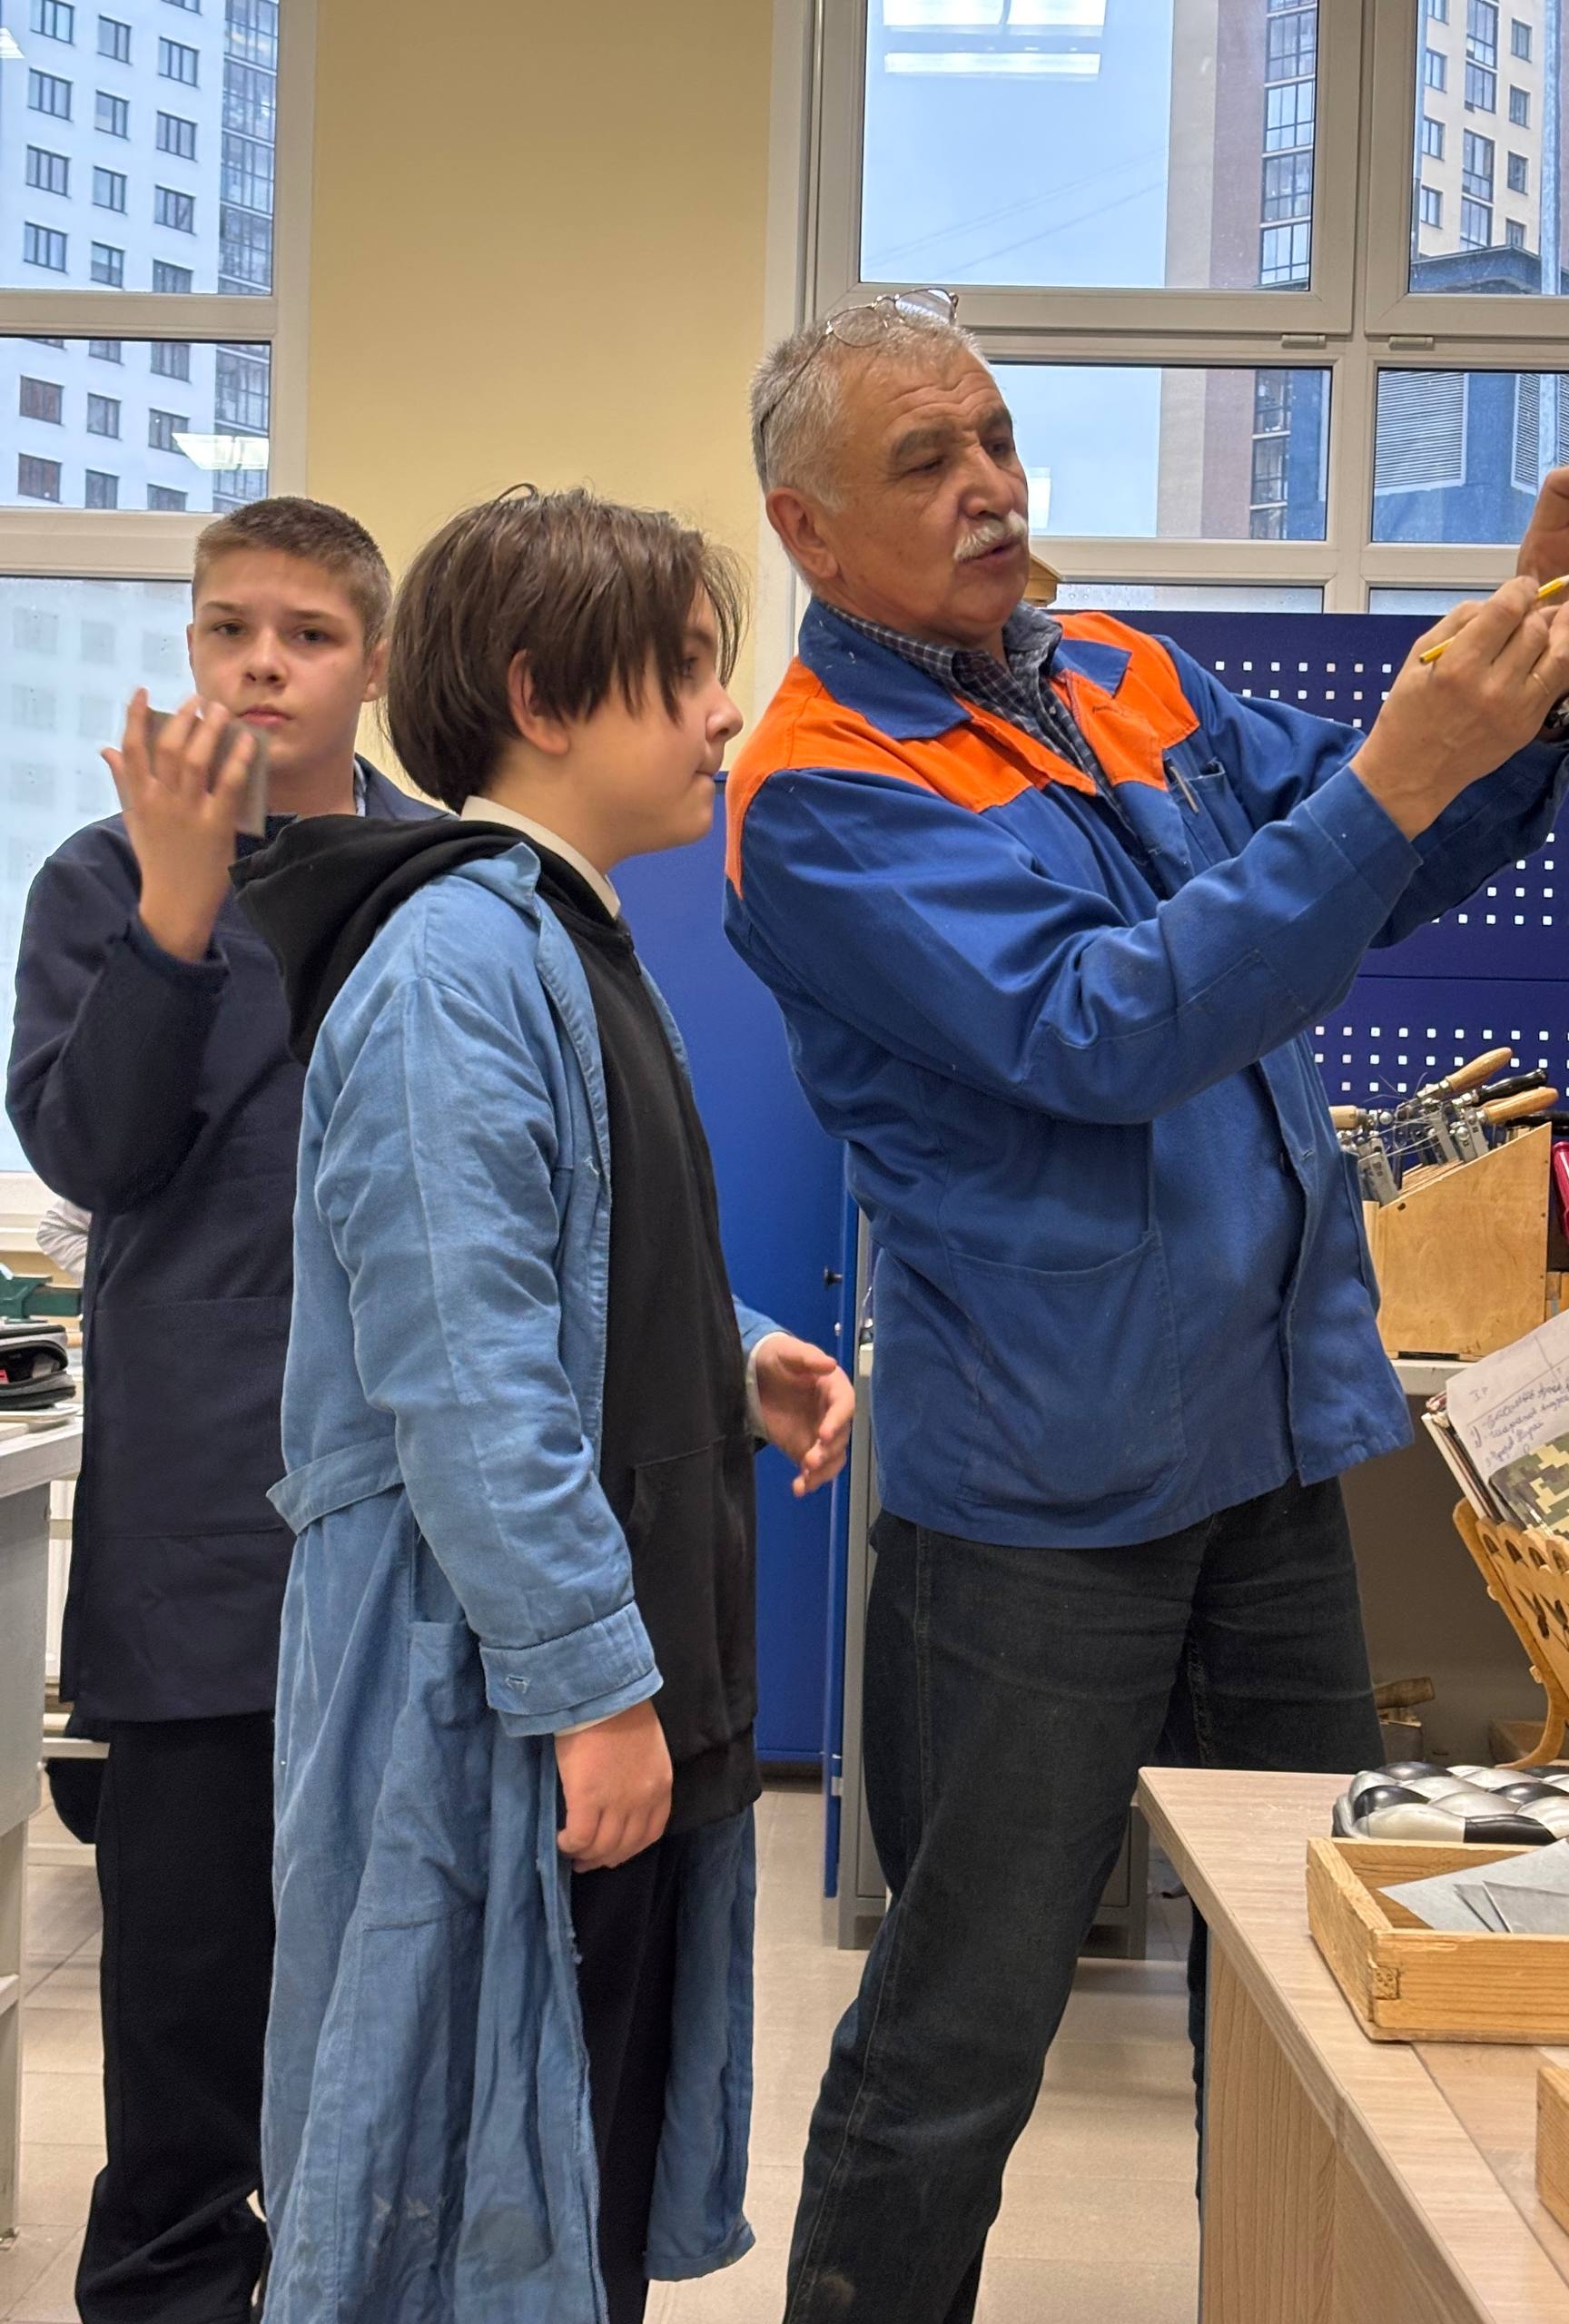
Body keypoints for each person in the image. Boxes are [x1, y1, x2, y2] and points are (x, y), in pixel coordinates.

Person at [724, 293, 1569, 2323]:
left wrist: (1538, 681)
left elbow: (1377, 853)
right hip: (1040, 1499)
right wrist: (1397, 769)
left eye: (995, 436)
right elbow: (1103, 1027)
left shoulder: (1118, 673)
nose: (989, 483)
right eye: (925, 460)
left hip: (1260, 1446)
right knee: (962, 2032)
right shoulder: (816, 794)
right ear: (806, 530)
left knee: (1313, 1980)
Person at [232, 485, 855, 2324]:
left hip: (614, 1694)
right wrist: (593, 1690)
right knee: (463, 2233)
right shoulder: (452, 968)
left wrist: (731, 1350)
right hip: (497, 1711)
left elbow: (572, 1270)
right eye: (690, 669)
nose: (725, 712)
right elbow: (466, 1379)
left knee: (575, 2209)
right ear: (541, 696)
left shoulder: (565, 942)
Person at [6, 496, 434, 2324]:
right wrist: (180, 913)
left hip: (406, 1523)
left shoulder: (439, 881)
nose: (263, 665)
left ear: (373, 661)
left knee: (385, 2027)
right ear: (191, 645)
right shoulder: (101, 879)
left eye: (308, 634)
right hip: (197, 1542)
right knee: (185, 2034)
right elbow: (92, 1152)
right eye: (229, 629)